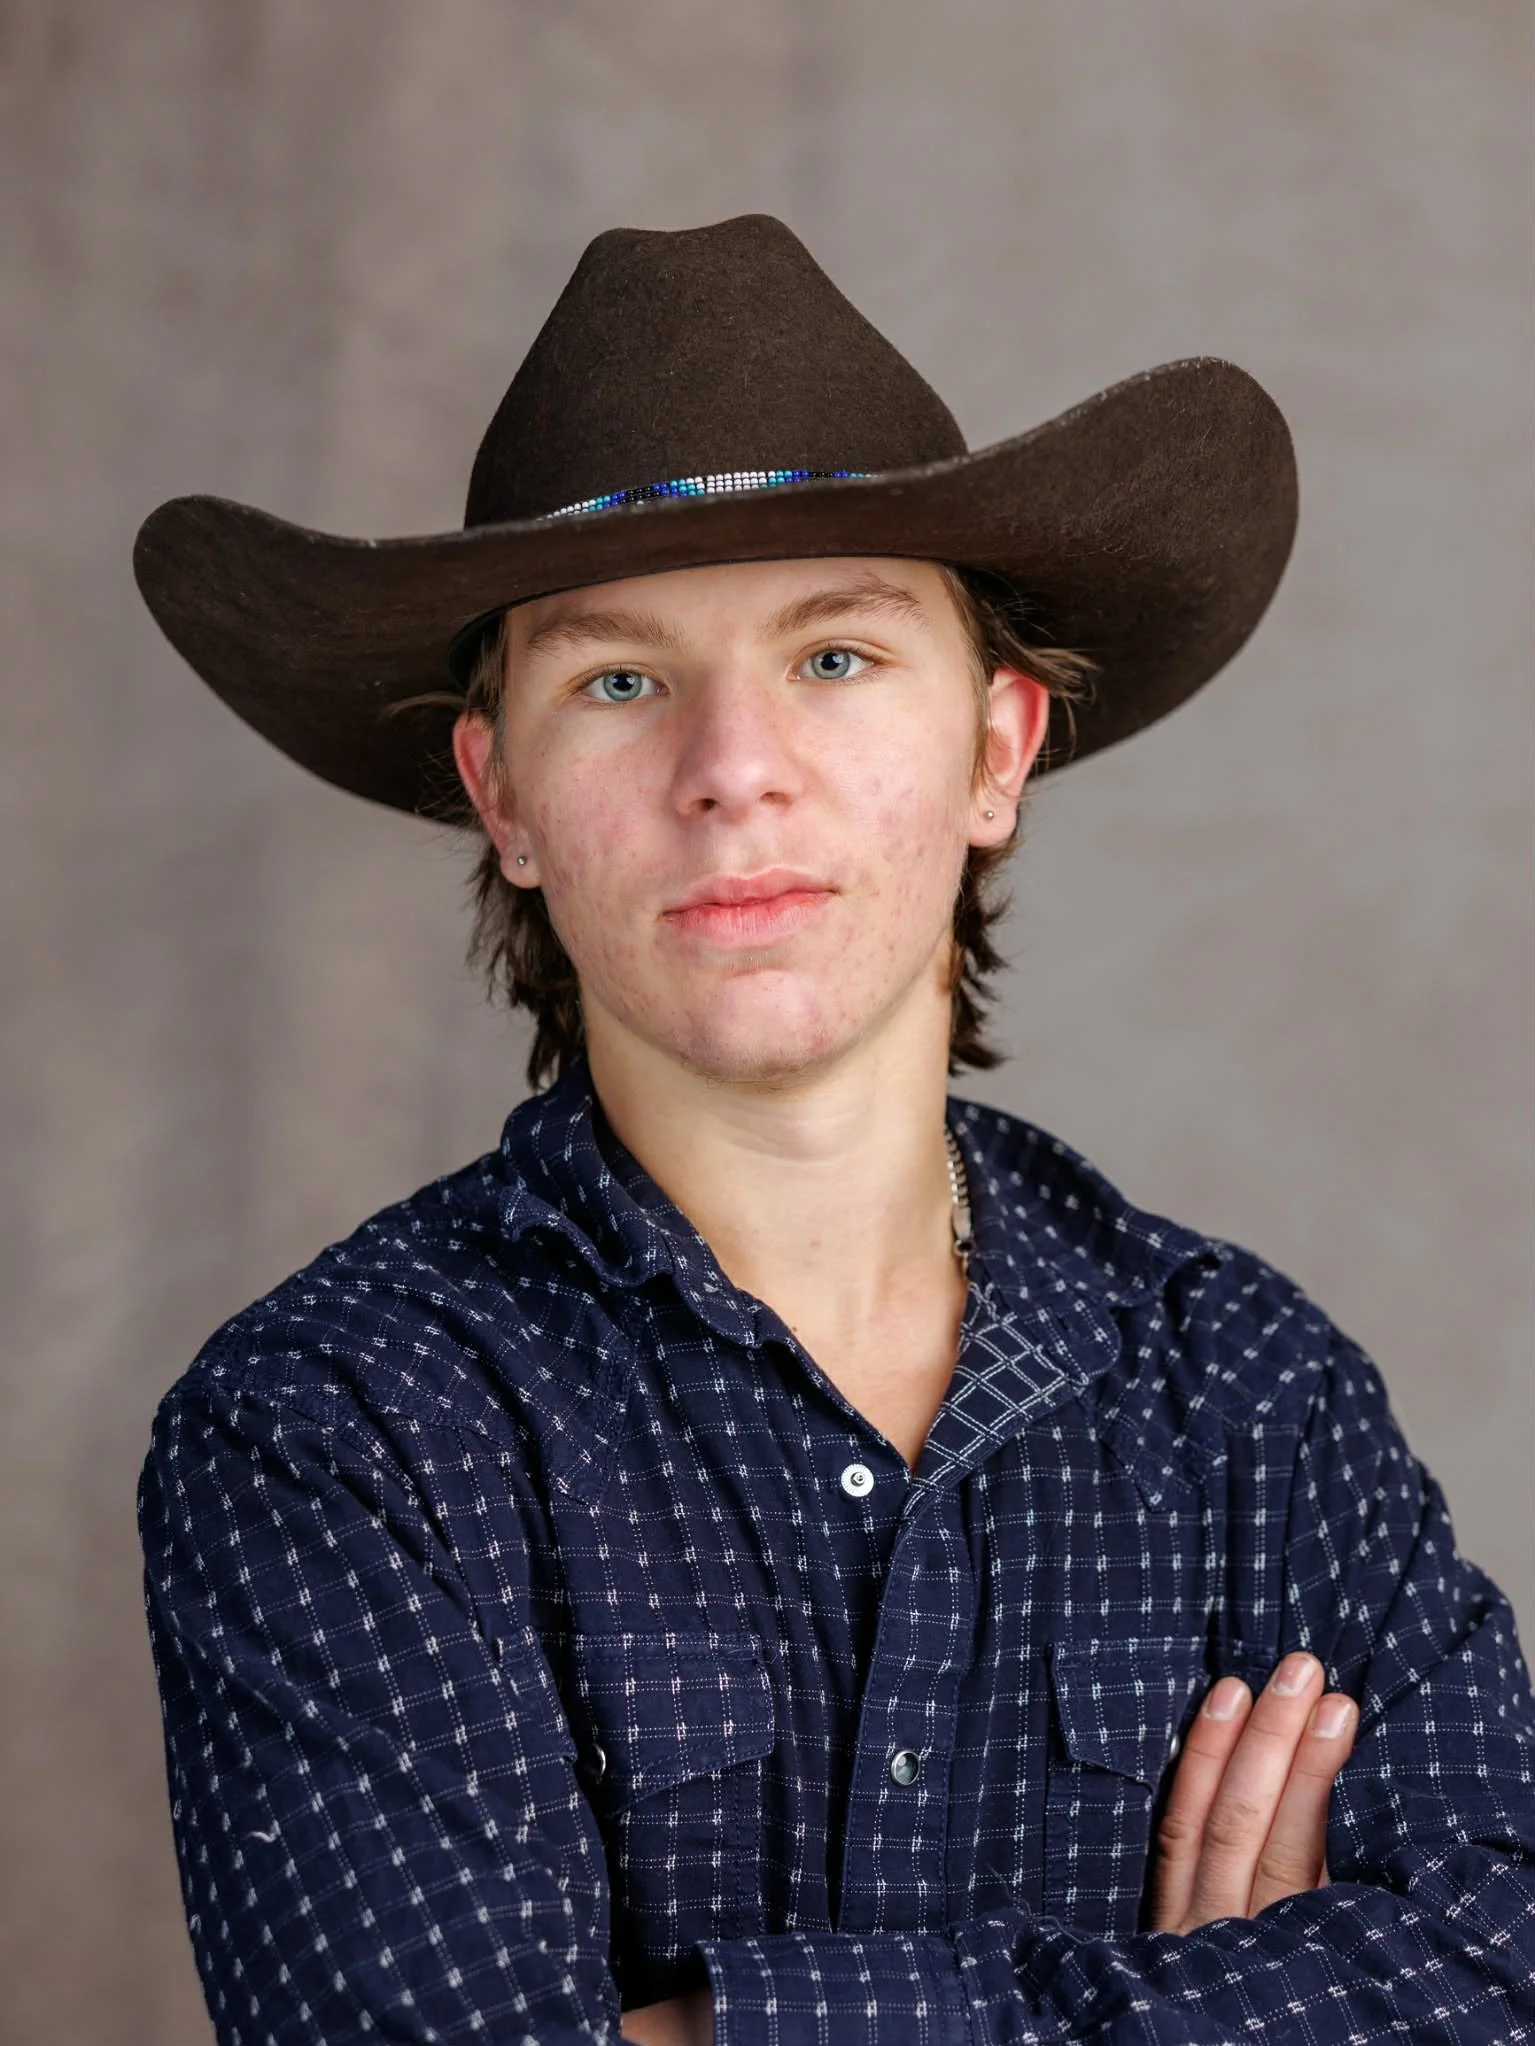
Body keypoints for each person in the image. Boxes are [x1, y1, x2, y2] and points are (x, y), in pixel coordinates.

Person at [133, 216, 1534, 2046]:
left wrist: (715, 2025)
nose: (732, 762)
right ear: (506, 796)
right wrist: (1206, 2011)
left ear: (994, 753)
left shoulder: (1254, 1399)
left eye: (838, 657)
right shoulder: (332, 1435)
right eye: (617, 679)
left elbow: (1504, 1966)